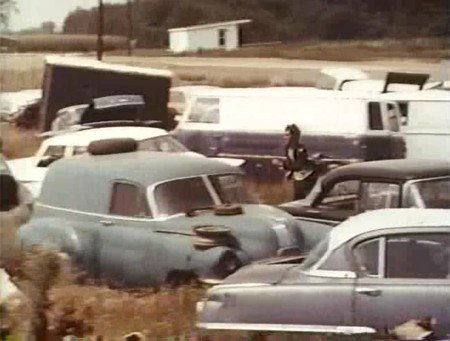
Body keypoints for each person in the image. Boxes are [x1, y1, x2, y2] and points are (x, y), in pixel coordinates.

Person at [283, 124, 317, 200]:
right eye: (285, 135)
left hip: (306, 176)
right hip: (298, 176)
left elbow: (299, 165)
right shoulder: (288, 148)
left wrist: (283, 165)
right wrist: (290, 172)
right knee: (297, 196)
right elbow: (292, 162)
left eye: (287, 135)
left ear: (294, 136)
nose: (285, 138)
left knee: (302, 197)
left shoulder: (301, 148)